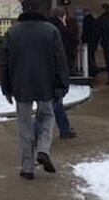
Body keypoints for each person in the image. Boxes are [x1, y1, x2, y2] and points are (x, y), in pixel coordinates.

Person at [0, 0, 70, 180]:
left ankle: (27, 168)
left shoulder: (12, 32)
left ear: (22, 10)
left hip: (20, 85)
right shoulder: (51, 30)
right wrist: (62, 84)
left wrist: (6, 87)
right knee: (47, 116)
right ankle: (43, 150)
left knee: (24, 125)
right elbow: (60, 60)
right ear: (40, 10)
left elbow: (4, 63)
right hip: (46, 83)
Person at [48, 8, 78, 139]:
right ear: (62, 16)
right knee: (53, 102)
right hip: (58, 69)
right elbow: (73, 41)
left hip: (47, 69)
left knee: (55, 102)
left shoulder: (47, 28)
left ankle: (65, 128)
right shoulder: (61, 29)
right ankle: (36, 132)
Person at [81, 11, 101, 77]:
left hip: (88, 42)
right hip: (94, 42)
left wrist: (83, 40)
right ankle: (94, 69)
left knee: (89, 56)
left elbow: (85, 31)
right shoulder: (95, 21)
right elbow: (98, 33)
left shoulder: (86, 21)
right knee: (91, 55)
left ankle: (92, 69)